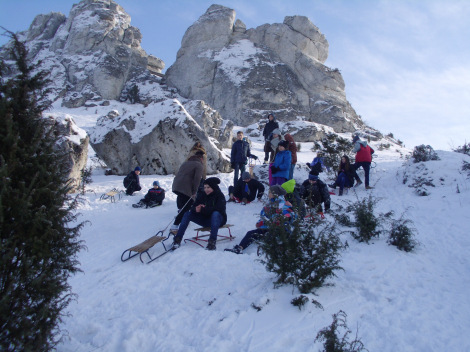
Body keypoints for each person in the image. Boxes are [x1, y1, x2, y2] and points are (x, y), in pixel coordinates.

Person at [224, 185, 296, 254]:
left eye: (269, 193)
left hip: (280, 229)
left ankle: (278, 252)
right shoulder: (269, 204)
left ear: (275, 194)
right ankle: (239, 248)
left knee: (270, 235)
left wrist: (282, 218)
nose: (268, 195)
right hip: (268, 228)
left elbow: (291, 215)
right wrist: (259, 223)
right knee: (250, 233)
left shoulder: (284, 204)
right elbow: (264, 216)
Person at [173, 177, 227, 251]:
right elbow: (192, 207)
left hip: (218, 220)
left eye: (208, 187)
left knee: (215, 213)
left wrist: (204, 209)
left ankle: (212, 241)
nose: (206, 189)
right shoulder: (202, 195)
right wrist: (196, 209)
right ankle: (177, 239)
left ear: (213, 187)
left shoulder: (219, 196)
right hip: (205, 219)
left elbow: (220, 209)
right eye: (205, 187)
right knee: (187, 214)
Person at [170, 150, 205, 233]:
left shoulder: (186, 162)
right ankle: (175, 224)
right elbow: (197, 179)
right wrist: (194, 192)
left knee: (183, 203)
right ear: (201, 158)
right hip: (185, 187)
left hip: (176, 185)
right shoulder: (199, 165)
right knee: (187, 205)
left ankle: (182, 219)